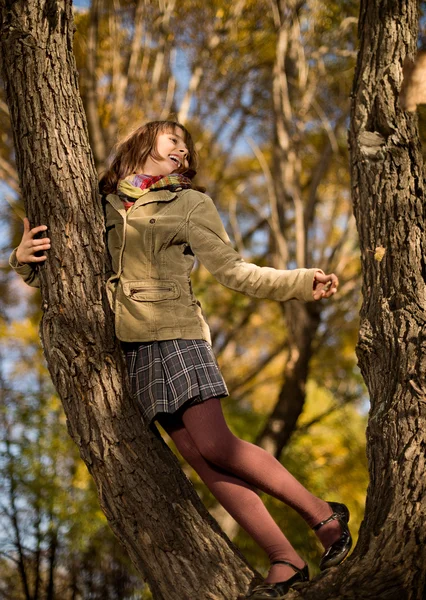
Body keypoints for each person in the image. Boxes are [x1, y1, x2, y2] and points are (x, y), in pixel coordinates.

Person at [10, 120, 352, 599]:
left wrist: (299, 282)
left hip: (177, 333)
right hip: (131, 346)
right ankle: (285, 558)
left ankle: (323, 514)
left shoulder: (189, 203)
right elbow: (65, 273)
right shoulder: (98, 204)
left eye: (187, 150)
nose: (183, 153)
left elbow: (234, 271)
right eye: (174, 141)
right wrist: (22, 259)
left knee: (215, 443)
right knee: (199, 456)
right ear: (141, 142)